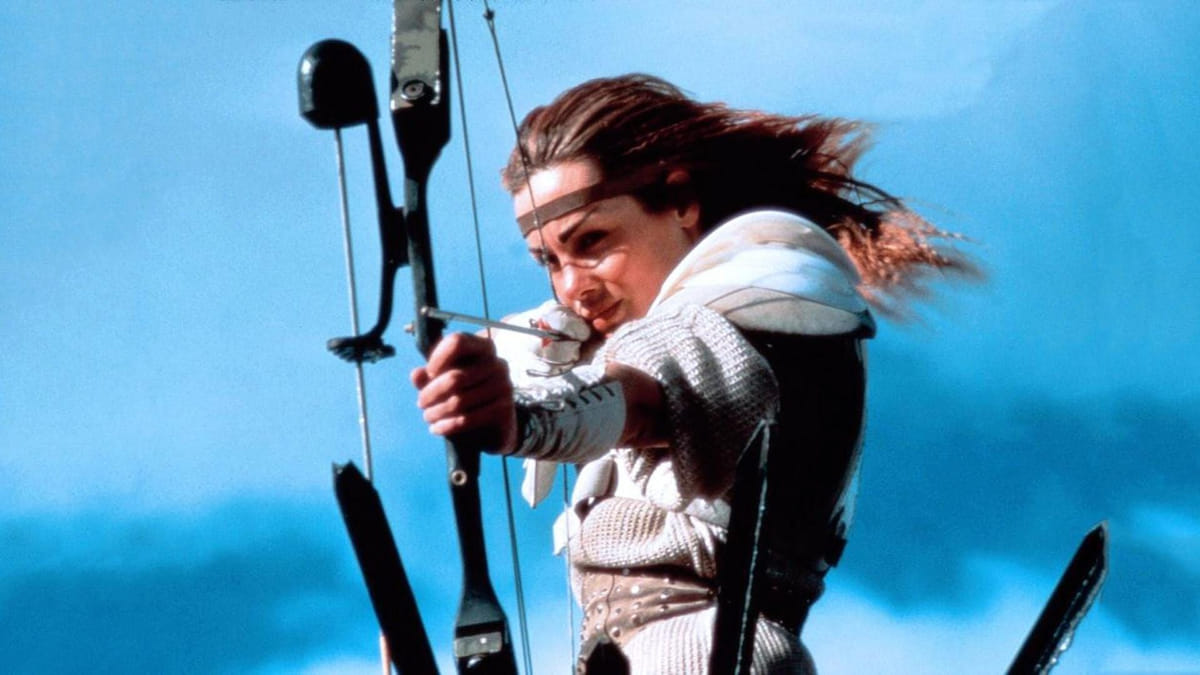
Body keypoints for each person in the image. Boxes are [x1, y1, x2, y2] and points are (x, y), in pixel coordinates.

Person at [411, 74, 971, 674]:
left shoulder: (763, 293)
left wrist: (522, 419)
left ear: (680, 200)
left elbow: (643, 397)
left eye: (592, 241)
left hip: (697, 652)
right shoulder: (637, 329)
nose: (573, 287)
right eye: (550, 260)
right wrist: (512, 364)